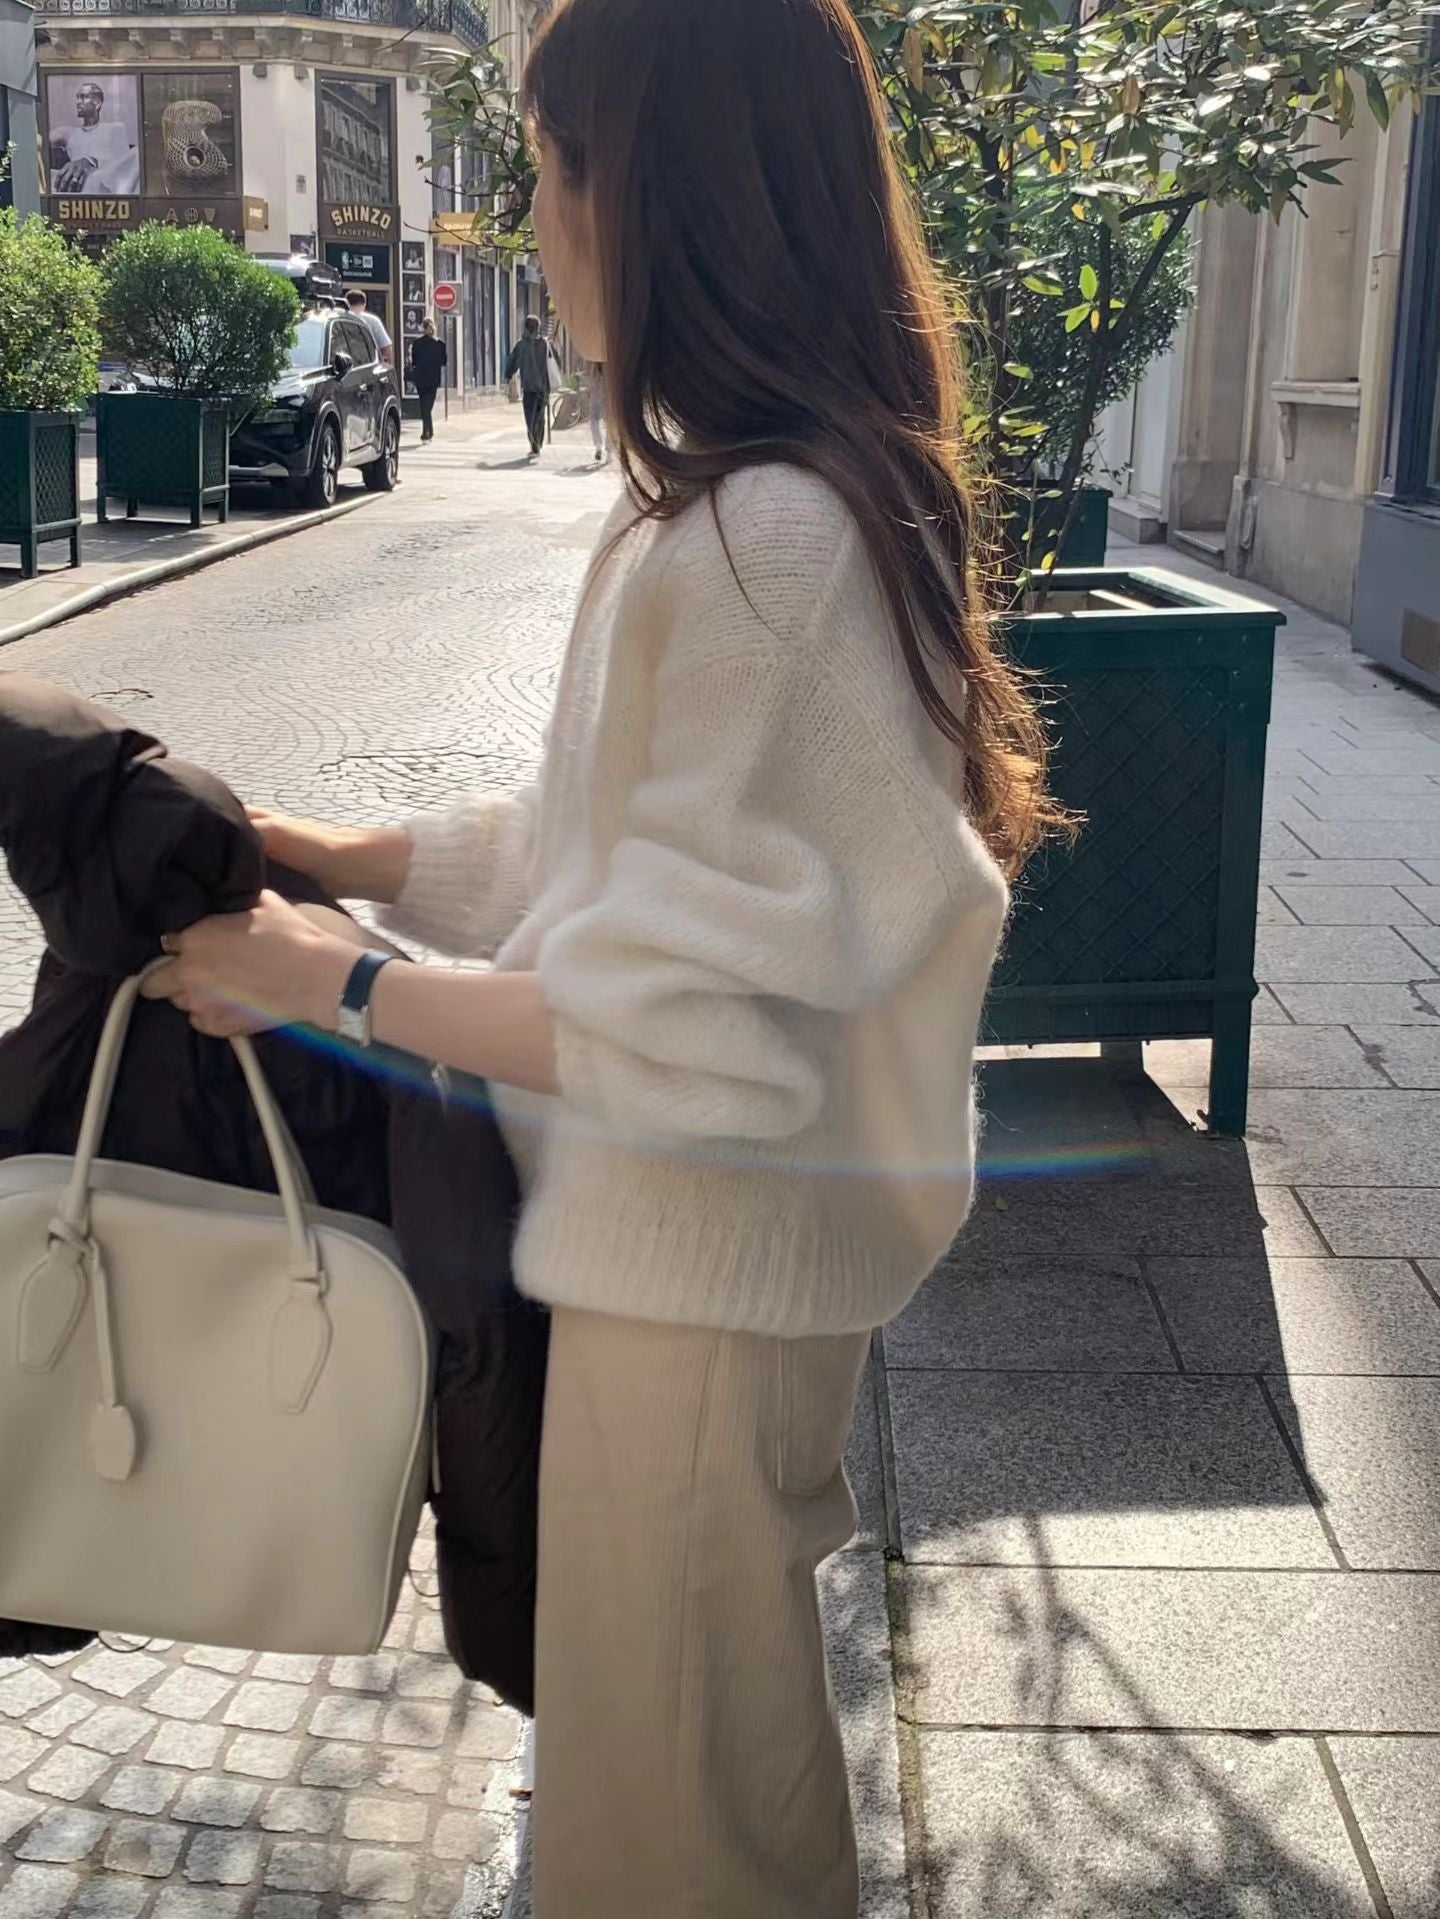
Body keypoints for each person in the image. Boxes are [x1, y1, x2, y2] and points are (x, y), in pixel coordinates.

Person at [156, 0, 1062, 1911]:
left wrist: (326, 980)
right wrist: (325, 853)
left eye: (561, 165)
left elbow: (680, 1023)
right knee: (683, 1788)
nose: (538, 216)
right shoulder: (739, 514)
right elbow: (596, 864)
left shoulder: (763, 544)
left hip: (698, 1292)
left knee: (678, 1833)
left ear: (670, 194)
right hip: (688, 1275)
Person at [49, 80, 139, 194]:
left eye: (83, 97)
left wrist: (91, 161)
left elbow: (122, 165)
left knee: (138, 153)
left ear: (97, 103)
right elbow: (37, 140)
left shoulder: (114, 129)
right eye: (77, 97)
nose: (78, 102)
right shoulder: (68, 133)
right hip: (75, 186)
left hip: (104, 185)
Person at [505, 314, 551, 460]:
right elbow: (553, 363)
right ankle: (537, 443)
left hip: (530, 388)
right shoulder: (544, 344)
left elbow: (512, 361)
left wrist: (508, 375)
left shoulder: (522, 345)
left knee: (530, 418)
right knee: (539, 417)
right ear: (538, 328)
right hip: (542, 388)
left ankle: (534, 444)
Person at [410, 320, 447, 442]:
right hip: (433, 379)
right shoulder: (440, 344)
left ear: (423, 328)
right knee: (428, 406)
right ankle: (428, 431)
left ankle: (427, 431)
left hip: (421, 378)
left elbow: (414, 362)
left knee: (423, 406)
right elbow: (444, 362)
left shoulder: (417, 343)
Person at [345, 288, 393, 367]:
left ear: (347, 303)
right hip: (368, 366)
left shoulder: (340, 319)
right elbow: (386, 348)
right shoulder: (373, 321)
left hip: (344, 367)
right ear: (364, 304)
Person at [585, 359, 607, 463]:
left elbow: (590, 377)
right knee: (610, 420)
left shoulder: (594, 356)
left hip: (597, 387)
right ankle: (610, 450)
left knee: (594, 418)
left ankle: (598, 446)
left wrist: (589, 388)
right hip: (609, 388)